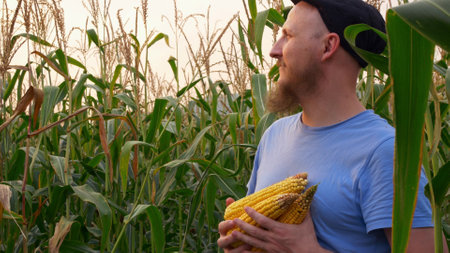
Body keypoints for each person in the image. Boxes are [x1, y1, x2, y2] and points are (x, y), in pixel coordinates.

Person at [217, 0, 445, 252]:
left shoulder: (383, 151)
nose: (274, 50)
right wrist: (242, 241)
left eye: (288, 36)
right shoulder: (274, 135)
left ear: (328, 46)